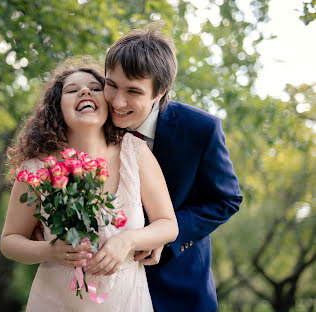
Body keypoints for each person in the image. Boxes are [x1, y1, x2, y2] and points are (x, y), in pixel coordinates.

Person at [0, 56, 178, 311]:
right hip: (56, 300)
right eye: (72, 90)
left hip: (128, 300)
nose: (85, 91)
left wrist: (127, 240)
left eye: (95, 88)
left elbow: (168, 225)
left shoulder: (134, 152)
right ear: (57, 107)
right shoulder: (37, 168)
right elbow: (9, 241)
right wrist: (49, 251)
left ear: (107, 102)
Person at [86, 22, 243, 312]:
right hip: (98, 288)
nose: (117, 102)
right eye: (112, 85)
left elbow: (226, 199)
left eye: (133, 91)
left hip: (177, 287)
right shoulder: (90, 120)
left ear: (160, 91)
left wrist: (165, 236)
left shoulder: (201, 129)